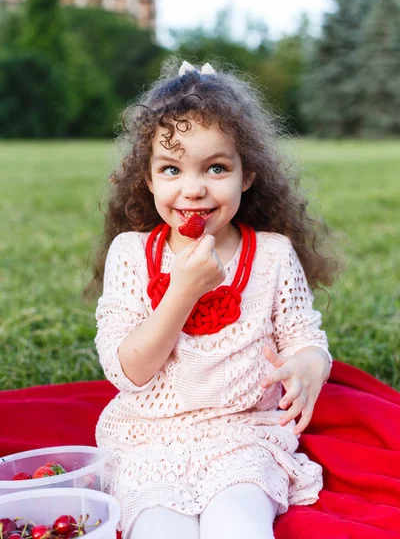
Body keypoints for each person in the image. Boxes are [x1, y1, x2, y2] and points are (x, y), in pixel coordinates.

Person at [87, 59, 338, 539]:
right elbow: (129, 370)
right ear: (148, 178)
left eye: (216, 167)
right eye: (172, 169)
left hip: (242, 435)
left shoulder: (271, 256)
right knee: (160, 528)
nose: (194, 188)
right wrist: (182, 290)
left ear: (247, 175)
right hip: (149, 438)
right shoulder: (133, 255)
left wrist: (309, 365)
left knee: (239, 524)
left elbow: (305, 337)